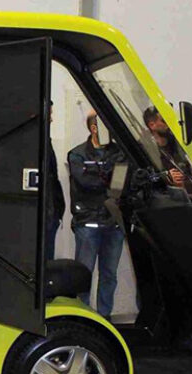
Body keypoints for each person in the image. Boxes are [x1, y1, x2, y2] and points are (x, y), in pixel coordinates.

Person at [67, 111, 125, 320]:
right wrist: (107, 177)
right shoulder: (77, 154)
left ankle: (104, 316)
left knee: (109, 274)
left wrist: (102, 177)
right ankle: (83, 317)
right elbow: (86, 183)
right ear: (94, 128)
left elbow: (119, 184)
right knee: (84, 274)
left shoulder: (120, 153)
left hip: (113, 222)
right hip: (87, 222)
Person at [143, 107, 186, 188]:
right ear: (152, 125)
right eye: (164, 121)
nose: (169, 124)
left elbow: (186, 164)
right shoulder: (144, 148)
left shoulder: (176, 142)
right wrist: (165, 177)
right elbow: (145, 178)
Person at [45, 101, 66, 260]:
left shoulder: (46, 141)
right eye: (49, 114)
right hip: (46, 214)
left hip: (50, 213)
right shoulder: (33, 145)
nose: (51, 119)